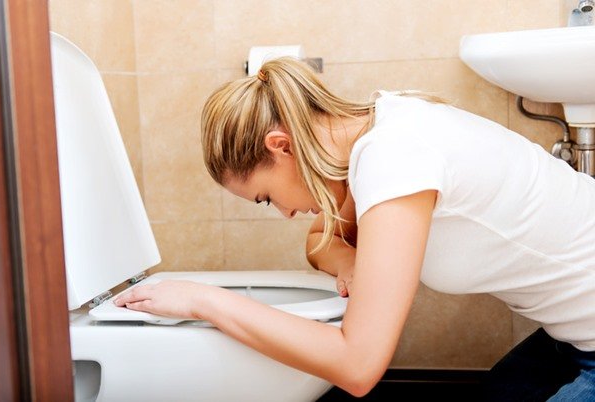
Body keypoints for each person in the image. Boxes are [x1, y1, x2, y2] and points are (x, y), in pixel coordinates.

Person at [114, 57, 595, 400]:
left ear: (281, 146)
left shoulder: (394, 157)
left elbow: (359, 367)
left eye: (265, 197)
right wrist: (347, 259)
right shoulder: (375, 130)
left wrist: (205, 299)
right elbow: (321, 239)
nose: (281, 213)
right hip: (573, 339)